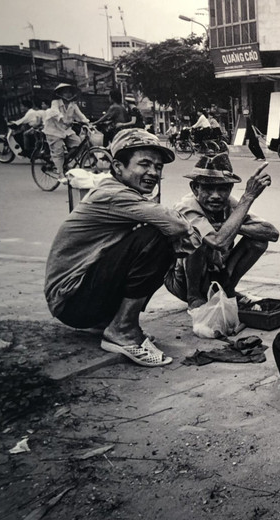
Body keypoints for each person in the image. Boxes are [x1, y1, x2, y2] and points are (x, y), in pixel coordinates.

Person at [44, 129, 201, 367]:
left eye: (158, 167)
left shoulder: (128, 195)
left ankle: (114, 321)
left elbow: (183, 235)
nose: (153, 173)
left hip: (81, 301)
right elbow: (177, 226)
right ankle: (122, 330)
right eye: (144, 164)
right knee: (157, 237)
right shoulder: (113, 194)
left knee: (159, 237)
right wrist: (189, 235)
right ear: (118, 167)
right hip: (71, 302)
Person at [164, 155, 279, 309]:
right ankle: (194, 297)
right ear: (195, 188)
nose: (216, 196)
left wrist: (233, 226)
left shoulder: (230, 203)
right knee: (198, 240)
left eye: (222, 189)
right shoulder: (187, 207)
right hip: (181, 282)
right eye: (208, 189)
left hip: (217, 273)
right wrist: (248, 197)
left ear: (230, 189)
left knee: (258, 241)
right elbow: (218, 242)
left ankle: (228, 288)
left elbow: (272, 233)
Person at [42, 83, 90, 179]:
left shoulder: (73, 104)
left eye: (69, 92)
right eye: (65, 92)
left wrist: (88, 123)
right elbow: (55, 112)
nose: (67, 94)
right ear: (60, 93)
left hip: (66, 130)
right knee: (58, 152)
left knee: (78, 143)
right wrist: (61, 118)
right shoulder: (56, 102)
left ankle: (65, 160)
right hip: (53, 130)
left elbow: (80, 115)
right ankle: (60, 174)